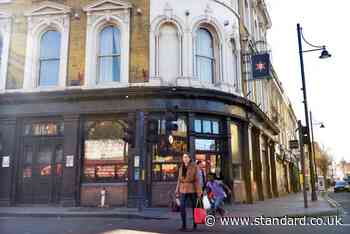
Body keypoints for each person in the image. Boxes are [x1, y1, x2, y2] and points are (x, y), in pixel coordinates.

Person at [175, 153, 202, 231]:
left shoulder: (194, 166)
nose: (185, 158)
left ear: (190, 158)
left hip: (192, 189)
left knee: (194, 207)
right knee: (182, 207)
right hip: (183, 189)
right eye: (183, 157)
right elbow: (179, 180)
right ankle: (184, 225)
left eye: (186, 157)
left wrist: (199, 191)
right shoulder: (181, 167)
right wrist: (177, 190)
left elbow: (197, 180)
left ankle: (195, 225)